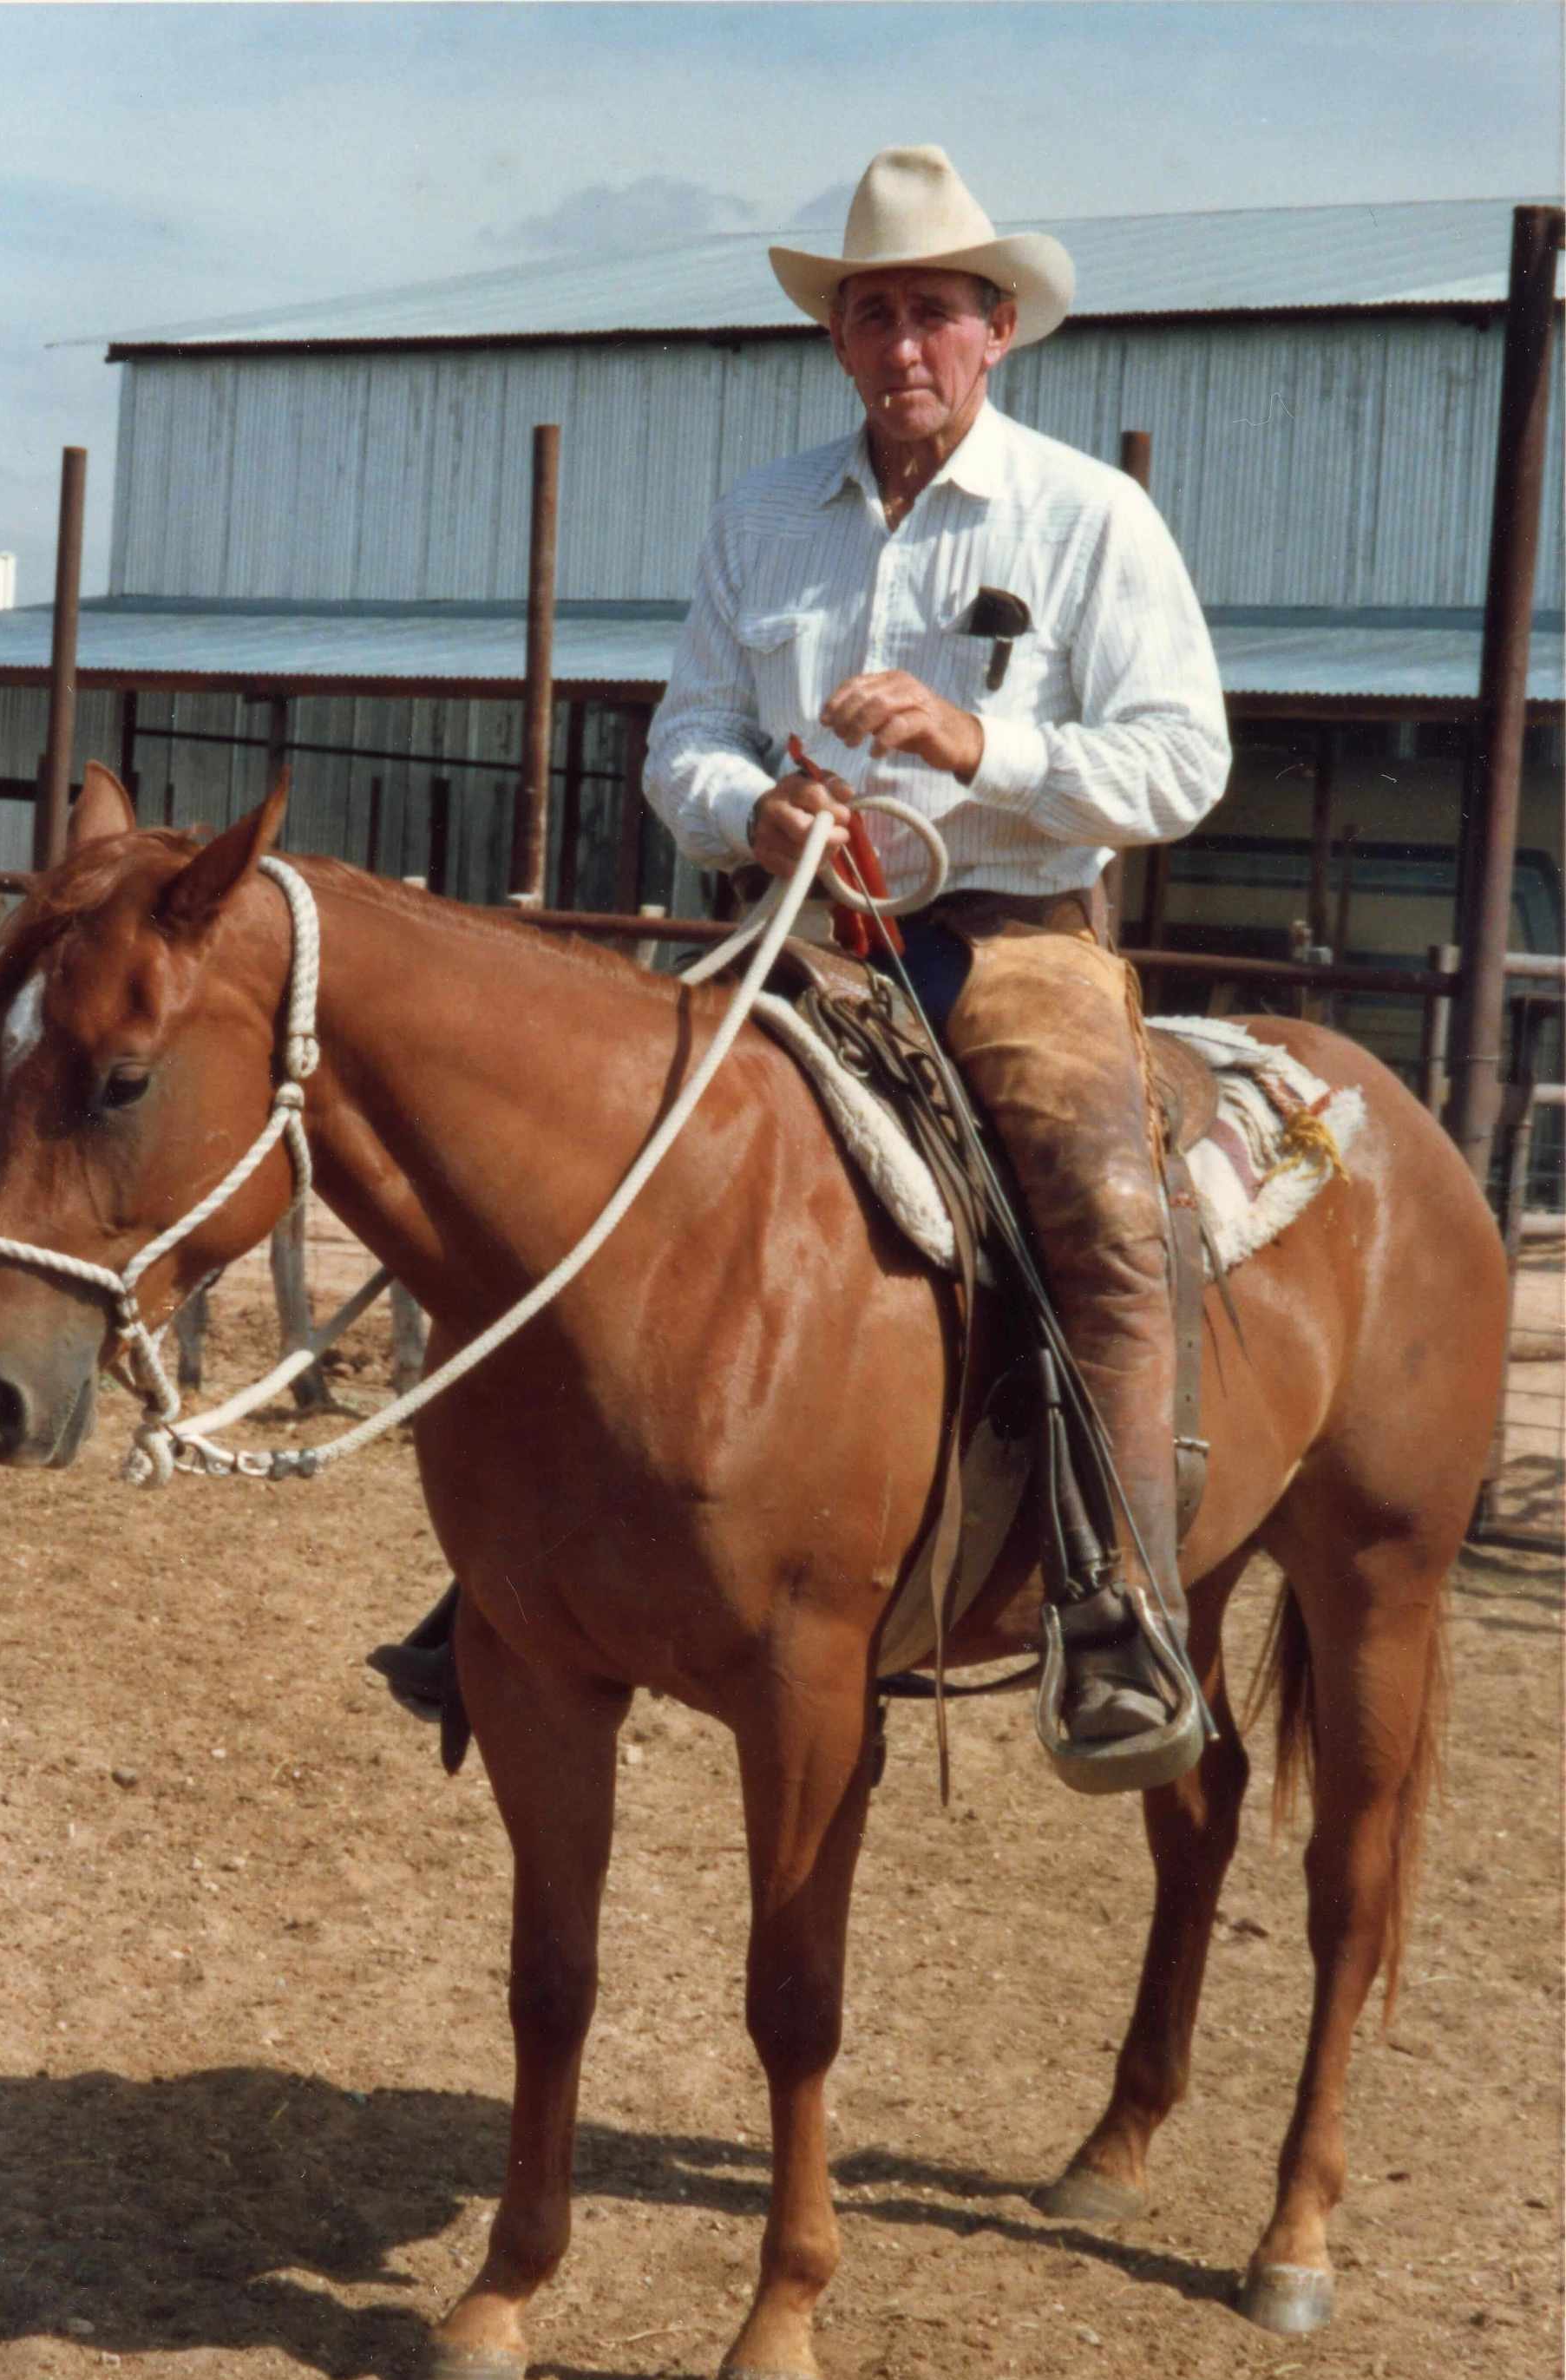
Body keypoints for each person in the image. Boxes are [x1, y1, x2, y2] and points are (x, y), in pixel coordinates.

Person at [375, 143, 1230, 1778]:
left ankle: (1122, 1608)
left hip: (1013, 939)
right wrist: (758, 810)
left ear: (997, 329)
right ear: (839, 339)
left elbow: (1184, 762)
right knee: (601, 1175)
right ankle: (506, 1573)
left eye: (933, 311)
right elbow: (682, 735)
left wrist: (980, 742)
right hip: (805, 932)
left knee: (1102, 1210)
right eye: (872, 312)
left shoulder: (1088, 519)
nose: (903, 343)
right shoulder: (764, 520)